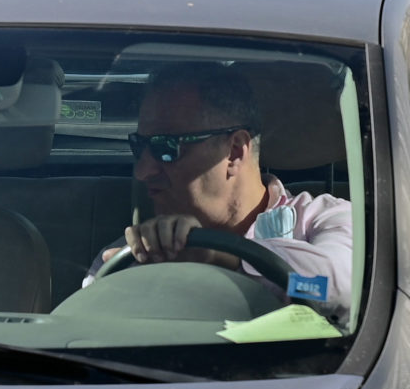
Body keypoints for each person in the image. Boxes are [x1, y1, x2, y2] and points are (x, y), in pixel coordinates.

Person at [85, 66, 354, 311]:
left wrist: (224, 258)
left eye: (165, 148)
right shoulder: (135, 253)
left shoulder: (325, 219)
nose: (142, 171)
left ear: (234, 152)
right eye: (139, 146)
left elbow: (335, 290)